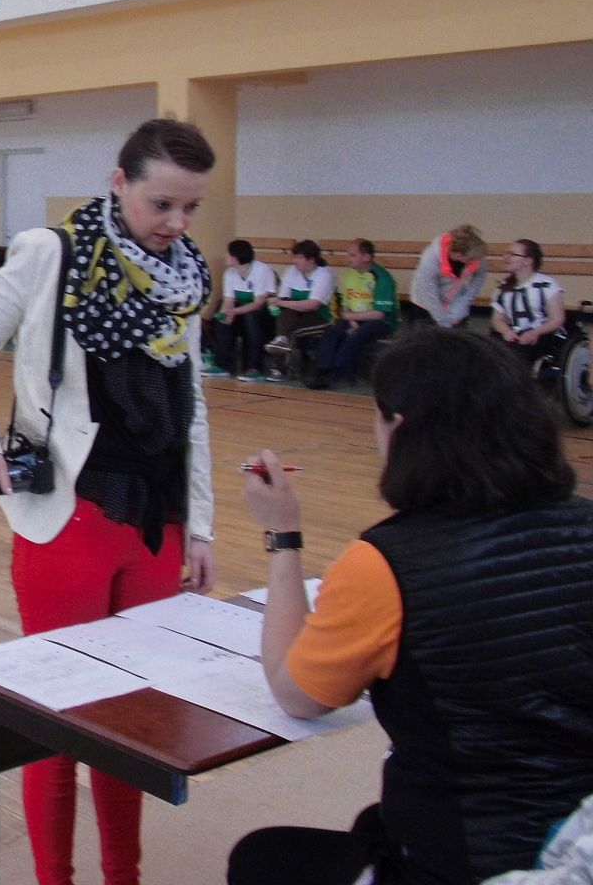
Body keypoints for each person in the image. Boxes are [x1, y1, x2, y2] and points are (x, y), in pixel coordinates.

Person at [0, 117, 218, 885]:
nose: (177, 223)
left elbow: (192, 403)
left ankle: (123, 875)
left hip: (156, 522)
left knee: (131, 721)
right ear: (118, 183)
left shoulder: (184, 278)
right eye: (162, 203)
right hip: (69, 519)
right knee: (58, 723)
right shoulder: (50, 252)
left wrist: (200, 525)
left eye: (191, 207)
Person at [230, 327, 593, 885]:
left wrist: (283, 533)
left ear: (399, 427)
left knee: (261, 859)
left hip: (464, 861)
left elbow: (295, 694)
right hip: (573, 839)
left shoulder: (387, 564)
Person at [309, 239, 400, 390]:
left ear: (366, 257)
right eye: (348, 255)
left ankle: (336, 373)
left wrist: (351, 318)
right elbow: (346, 302)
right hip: (354, 317)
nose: (348, 259)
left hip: (381, 321)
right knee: (333, 332)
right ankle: (322, 370)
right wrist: (351, 320)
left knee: (356, 336)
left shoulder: (382, 278)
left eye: (353, 255)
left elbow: (380, 313)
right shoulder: (348, 274)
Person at [205, 239, 276, 381]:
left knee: (251, 317)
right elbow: (228, 300)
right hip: (241, 312)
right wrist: (225, 314)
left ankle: (254, 367)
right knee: (221, 319)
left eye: (228, 254)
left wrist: (235, 312)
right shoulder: (229, 273)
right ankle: (222, 365)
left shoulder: (262, 270)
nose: (225, 257)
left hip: (263, 314)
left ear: (235, 257)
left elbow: (258, 303)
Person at [491, 238, 566, 370]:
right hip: (514, 334)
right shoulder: (503, 287)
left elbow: (557, 319)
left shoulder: (546, 284)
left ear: (528, 261)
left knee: (517, 354)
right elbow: (497, 319)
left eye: (513, 254)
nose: (506, 257)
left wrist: (535, 333)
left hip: (543, 335)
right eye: (507, 253)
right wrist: (506, 331)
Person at [265, 239, 336, 372]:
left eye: (299, 257)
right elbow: (283, 297)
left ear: (311, 259)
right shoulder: (291, 271)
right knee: (285, 318)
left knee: (289, 328)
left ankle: (279, 369)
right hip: (295, 315)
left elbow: (313, 305)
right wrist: (276, 302)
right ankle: (280, 345)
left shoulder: (324, 274)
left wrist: (281, 302)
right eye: (294, 257)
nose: (294, 261)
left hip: (319, 317)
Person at [410, 223, 487, 328]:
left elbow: (480, 276)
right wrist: (444, 323)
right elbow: (429, 295)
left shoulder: (476, 254)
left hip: (455, 304)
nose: (475, 261)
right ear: (458, 255)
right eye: (470, 259)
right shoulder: (430, 259)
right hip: (425, 306)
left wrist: (463, 304)